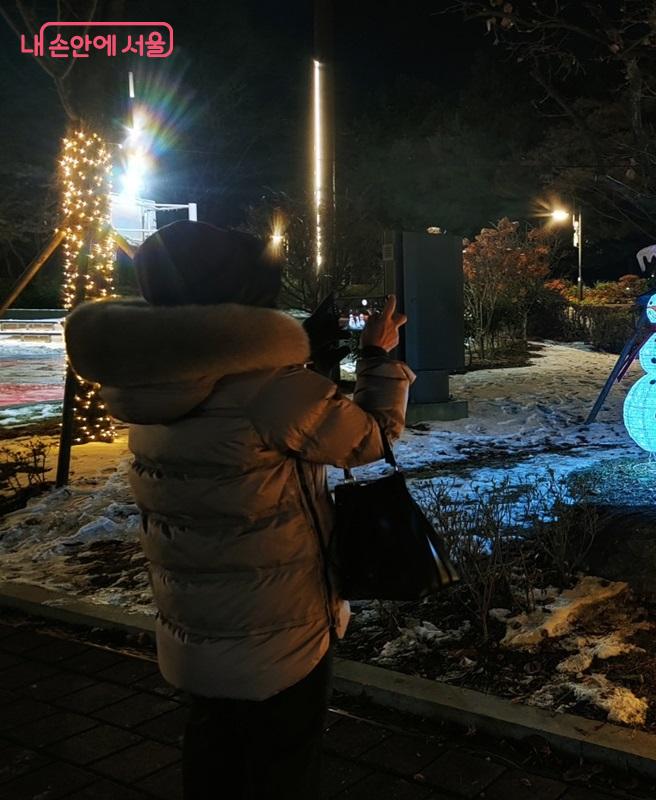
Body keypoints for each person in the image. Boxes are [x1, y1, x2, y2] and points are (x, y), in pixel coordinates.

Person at [63, 220, 415, 799]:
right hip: (278, 623)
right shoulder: (271, 389)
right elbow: (370, 439)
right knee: (282, 765)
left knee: (214, 752)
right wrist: (376, 357)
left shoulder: (148, 380)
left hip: (194, 616)